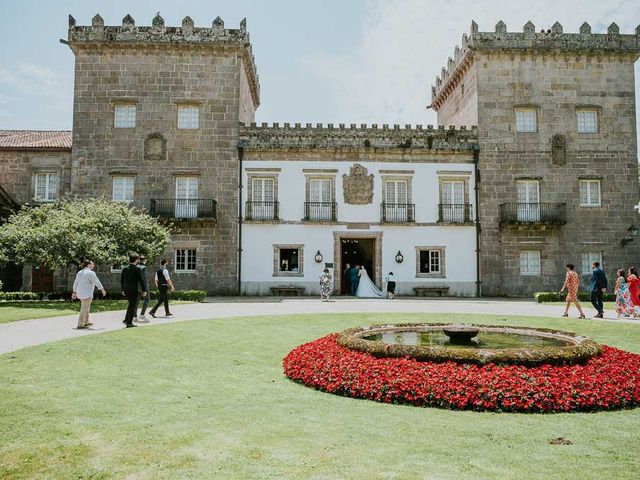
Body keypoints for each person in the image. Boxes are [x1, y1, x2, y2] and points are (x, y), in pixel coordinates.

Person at [71, 260, 106, 329]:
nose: (93, 265)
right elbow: (96, 281)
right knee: (84, 308)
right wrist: (102, 289)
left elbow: (76, 282)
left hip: (80, 293)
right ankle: (80, 324)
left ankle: (86, 321)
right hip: (87, 293)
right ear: (88, 265)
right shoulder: (91, 273)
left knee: (86, 307)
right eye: (92, 264)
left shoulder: (80, 272)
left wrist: (74, 291)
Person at [120, 254, 147, 328]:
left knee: (130, 305)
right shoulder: (137, 269)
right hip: (133, 290)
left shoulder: (124, 268)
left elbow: (122, 280)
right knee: (132, 306)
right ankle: (129, 323)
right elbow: (141, 280)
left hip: (126, 289)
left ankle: (126, 319)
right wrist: (144, 290)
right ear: (136, 260)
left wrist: (122, 289)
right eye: (138, 259)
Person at [135, 255, 151, 323]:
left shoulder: (136, 267)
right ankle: (142, 314)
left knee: (137, 302)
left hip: (136, 286)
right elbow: (144, 279)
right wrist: (145, 288)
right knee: (147, 300)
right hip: (143, 286)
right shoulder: (144, 267)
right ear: (145, 260)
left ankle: (134, 316)